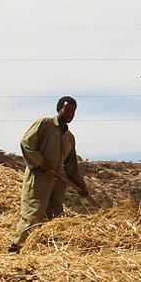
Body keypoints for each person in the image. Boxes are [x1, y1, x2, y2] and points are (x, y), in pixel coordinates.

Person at [10, 96, 90, 253]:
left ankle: (48, 248)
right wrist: (40, 163)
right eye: (67, 110)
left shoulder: (69, 137)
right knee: (33, 212)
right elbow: (26, 143)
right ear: (59, 109)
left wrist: (80, 186)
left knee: (55, 215)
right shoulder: (44, 124)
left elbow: (71, 165)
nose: (70, 115)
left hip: (57, 181)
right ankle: (16, 247)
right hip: (39, 178)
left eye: (73, 112)